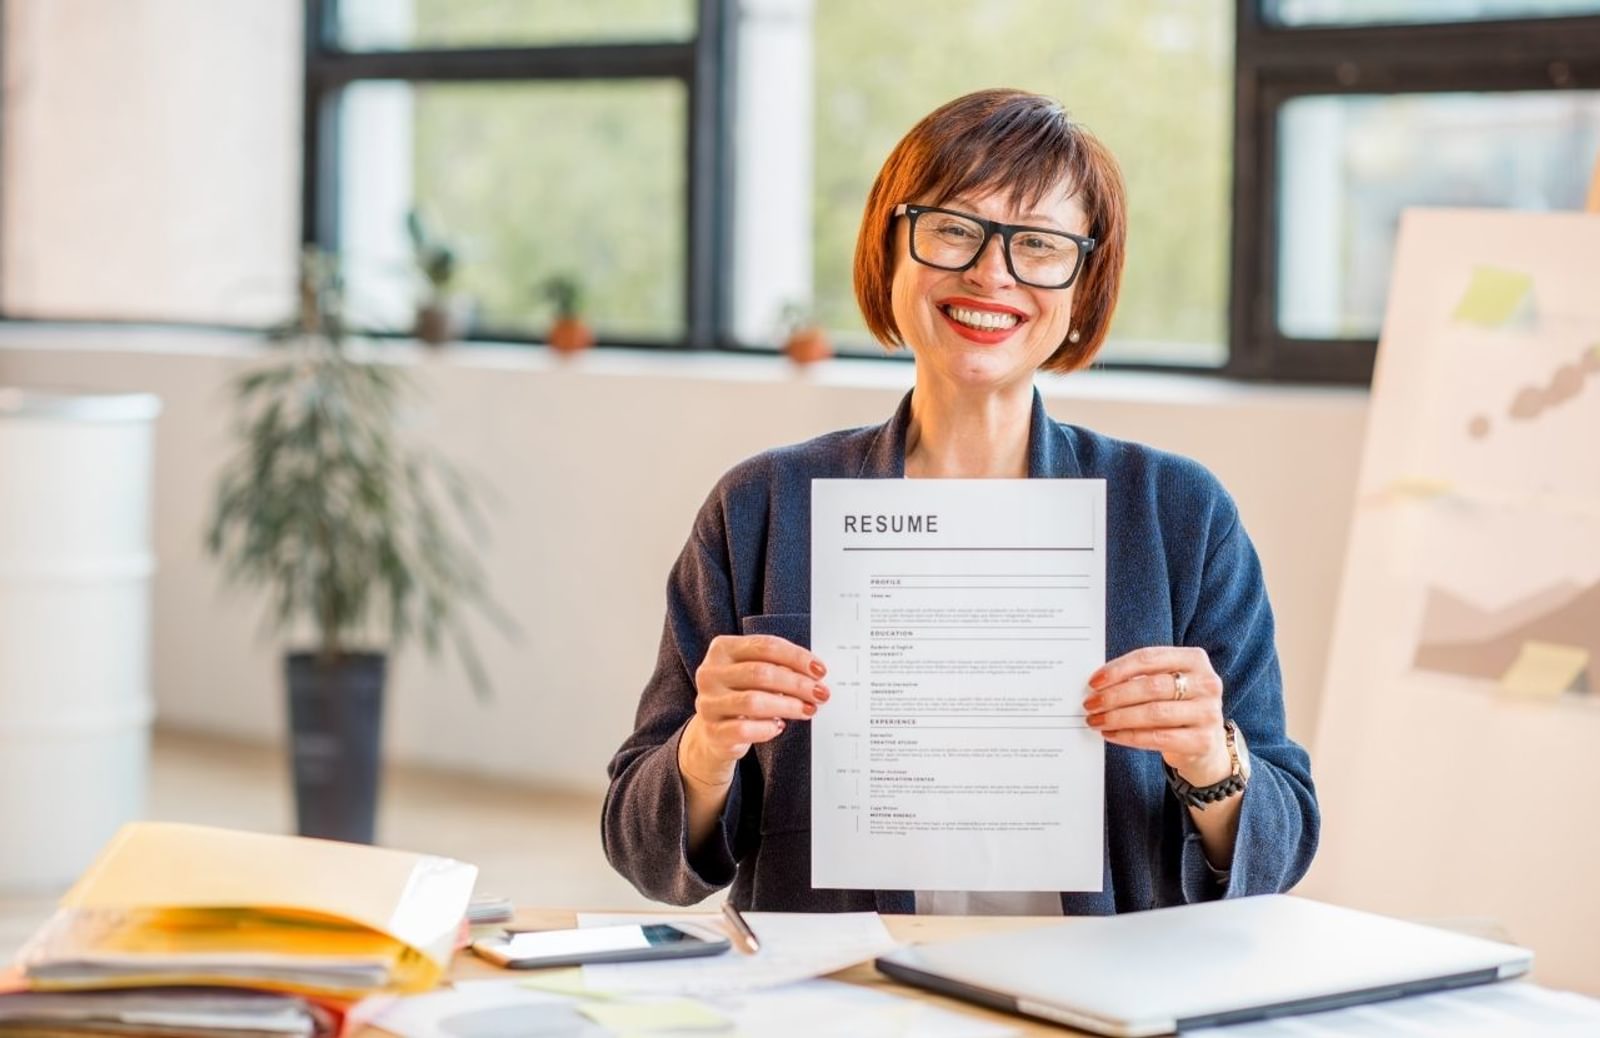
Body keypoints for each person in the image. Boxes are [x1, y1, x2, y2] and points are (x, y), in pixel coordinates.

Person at [602, 88, 1318, 914]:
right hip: (848, 997)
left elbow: (1284, 841)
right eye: (953, 228)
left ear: (1083, 286)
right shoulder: (762, 505)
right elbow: (642, 851)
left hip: (1096, 992)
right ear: (891, 248)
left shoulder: (1179, 514)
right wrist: (704, 750)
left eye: (1040, 244)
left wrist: (1209, 760)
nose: (991, 272)